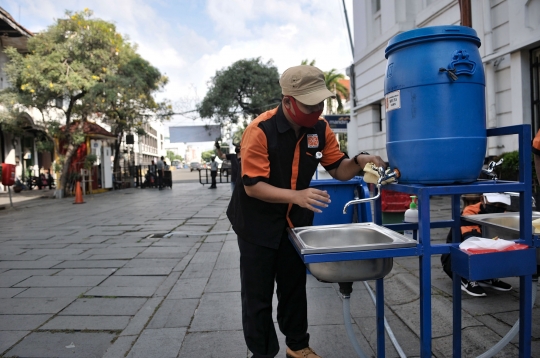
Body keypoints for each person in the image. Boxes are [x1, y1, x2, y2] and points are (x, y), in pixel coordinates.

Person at [226, 65, 386, 358]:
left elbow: (338, 168)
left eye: (319, 104)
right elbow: (253, 186)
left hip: (295, 223)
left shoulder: (320, 129)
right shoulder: (260, 130)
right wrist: (297, 195)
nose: (315, 110)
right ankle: (262, 352)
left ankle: (297, 347)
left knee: (294, 288)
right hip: (256, 223)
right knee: (257, 294)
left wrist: (362, 160)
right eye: (308, 105)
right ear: (287, 100)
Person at [441, 192, 513, 297]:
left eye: (501, 205)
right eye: (494, 204)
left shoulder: (502, 214)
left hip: (484, 251)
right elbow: (471, 239)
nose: (497, 207)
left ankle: (487, 276)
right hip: (454, 257)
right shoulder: (470, 211)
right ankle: (463, 278)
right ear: (482, 199)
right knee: (474, 246)